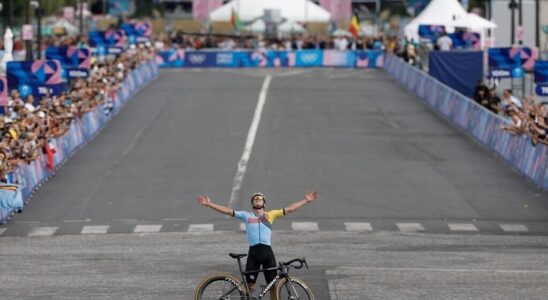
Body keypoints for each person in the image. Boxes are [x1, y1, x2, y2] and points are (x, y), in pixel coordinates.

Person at [196, 191, 318, 299]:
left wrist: (306, 200)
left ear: (264, 204)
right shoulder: (246, 215)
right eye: (255, 199)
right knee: (249, 287)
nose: (257, 200)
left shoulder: (271, 215)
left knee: (273, 287)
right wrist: (209, 204)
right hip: (254, 254)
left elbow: (290, 209)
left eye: (260, 199)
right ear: (253, 204)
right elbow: (228, 211)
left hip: (267, 254)